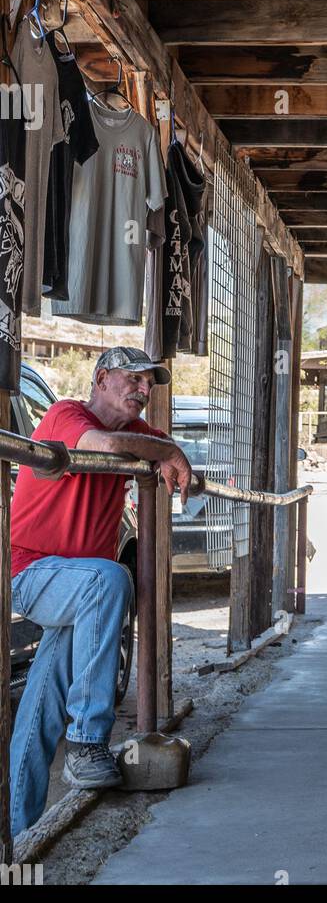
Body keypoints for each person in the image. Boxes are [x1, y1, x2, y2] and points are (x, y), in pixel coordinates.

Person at [9, 346, 193, 837]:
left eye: (148, 384)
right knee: (112, 578)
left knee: (40, 710)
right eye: (133, 379)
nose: (142, 390)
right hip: (33, 573)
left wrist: (172, 452)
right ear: (102, 377)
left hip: (79, 590)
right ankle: (88, 742)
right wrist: (167, 452)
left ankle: (18, 833)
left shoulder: (138, 434)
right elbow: (107, 447)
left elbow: (166, 446)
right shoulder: (66, 413)